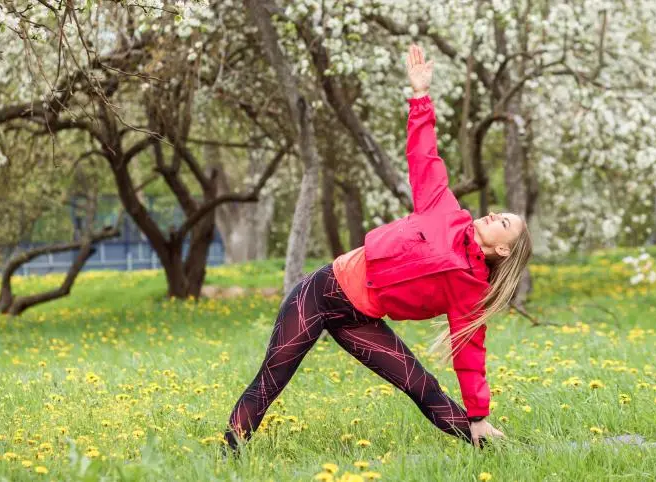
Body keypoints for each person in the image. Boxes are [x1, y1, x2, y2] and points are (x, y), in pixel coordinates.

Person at [223, 44, 532, 455]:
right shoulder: (445, 211)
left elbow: (469, 352)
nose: (494, 215)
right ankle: (227, 455)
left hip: (361, 319)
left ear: (504, 251)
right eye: (499, 213)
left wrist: (478, 412)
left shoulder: (470, 290)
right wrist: (420, 96)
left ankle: (494, 449)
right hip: (321, 291)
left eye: (504, 223)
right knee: (273, 377)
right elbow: (424, 156)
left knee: (422, 386)